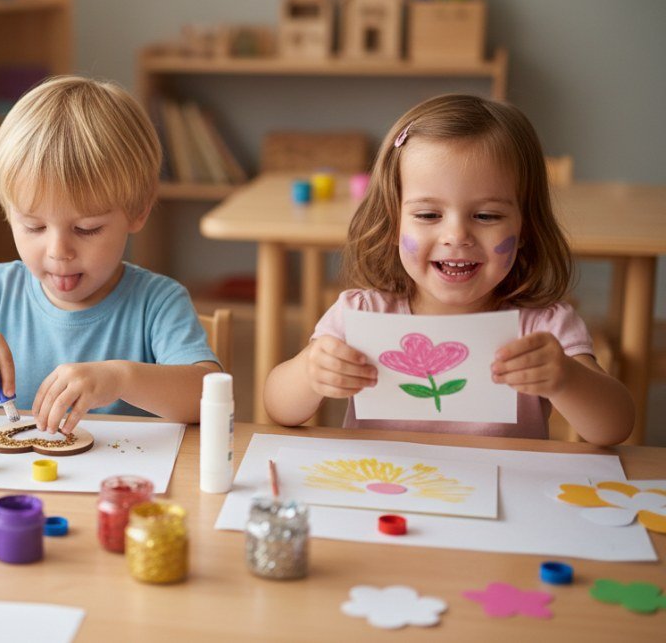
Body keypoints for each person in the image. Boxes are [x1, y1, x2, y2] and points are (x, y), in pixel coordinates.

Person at [262, 94, 633, 446]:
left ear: (525, 230)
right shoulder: (361, 313)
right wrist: (311, 373)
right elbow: (278, 407)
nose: (456, 236)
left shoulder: (543, 326)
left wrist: (566, 379)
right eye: (428, 215)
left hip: (505, 504)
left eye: (486, 215)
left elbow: (615, 427)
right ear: (393, 224)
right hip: (385, 498)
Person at [0, 76, 219, 434]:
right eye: (34, 227)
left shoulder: (158, 302)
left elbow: (207, 394)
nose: (59, 252)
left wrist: (121, 378)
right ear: (9, 212)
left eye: (87, 229)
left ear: (138, 211)